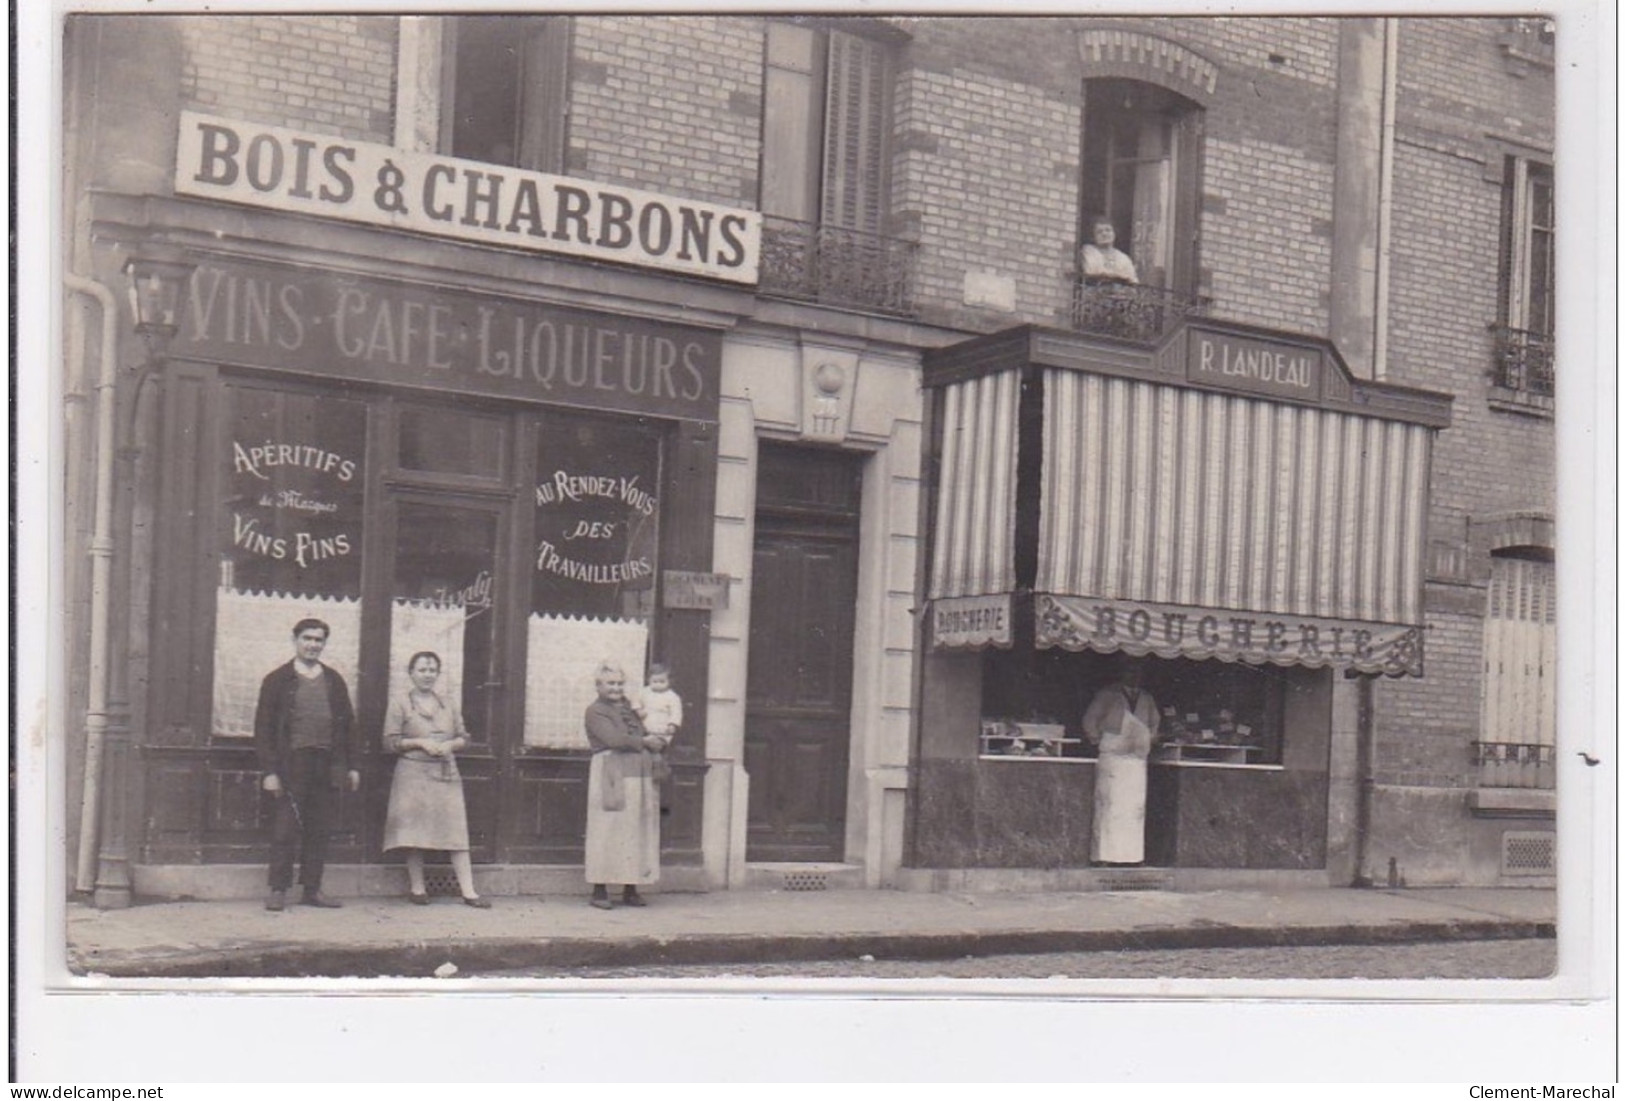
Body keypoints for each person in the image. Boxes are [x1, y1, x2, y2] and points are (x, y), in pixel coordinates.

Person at [254, 618, 360, 911]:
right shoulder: (276, 680)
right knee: (285, 828)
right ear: (295, 640)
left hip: (325, 763)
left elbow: (348, 725)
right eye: (307, 639)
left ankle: (312, 889)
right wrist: (270, 772)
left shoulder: (333, 680)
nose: (313, 645)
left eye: (319, 640)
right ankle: (278, 889)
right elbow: (262, 729)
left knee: (319, 828)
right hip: (291, 764)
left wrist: (351, 766)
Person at [382, 651, 491, 909]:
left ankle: (469, 891)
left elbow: (465, 736)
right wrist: (420, 742)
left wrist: (451, 744)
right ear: (411, 673)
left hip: (445, 771)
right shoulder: (400, 703)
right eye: (422, 669)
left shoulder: (449, 703)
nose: (427, 675)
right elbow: (389, 742)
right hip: (412, 773)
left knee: (456, 830)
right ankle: (417, 888)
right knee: (414, 831)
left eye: (432, 670)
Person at [582, 661, 668, 909]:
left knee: (635, 830)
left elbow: (640, 733)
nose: (616, 688)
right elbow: (613, 739)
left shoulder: (630, 708)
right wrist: (645, 741)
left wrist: (655, 740)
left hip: (638, 773)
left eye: (620, 683)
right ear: (598, 685)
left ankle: (631, 888)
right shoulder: (595, 711)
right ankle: (599, 890)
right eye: (610, 683)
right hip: (611, 771)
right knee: (607, 829)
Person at [1080, 657, 1161, 866]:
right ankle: (1105, 857)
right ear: (1122, 673)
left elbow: (1155, 724)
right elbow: (1090, 720)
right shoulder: (1108, 695)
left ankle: (1132, 857)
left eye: (1138, 672)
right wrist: (1099, 739)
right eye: (1130, 671)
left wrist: (1147, 738)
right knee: (1110, 806)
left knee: (1134, 809)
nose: (1134, 676)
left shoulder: (1147, 698)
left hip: (1136, 760)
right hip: (1113, 757)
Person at [633, 662, 682, 813]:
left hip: (662, 729)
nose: (658, 685)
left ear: (669, 681)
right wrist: (639, 710)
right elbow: (634, 701)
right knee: (646, 746)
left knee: (657, 748)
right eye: (655, 681)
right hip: (646, 727)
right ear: (649, 680)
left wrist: (672, 724)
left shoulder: (672, 697)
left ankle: (659, 769)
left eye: (662, 682)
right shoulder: (644, 692)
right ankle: (653, 768)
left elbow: (676, 712)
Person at [1079, 216, 1140, 284]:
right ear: (1093, 237)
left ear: (1114, 234)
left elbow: (1132, 280)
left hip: (1120, 293)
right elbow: (1090, 271)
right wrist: (1119, 276)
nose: (1104, 234)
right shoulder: (1088, 251)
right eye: (1099, 232)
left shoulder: (1124, 258)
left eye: (1108, 230)